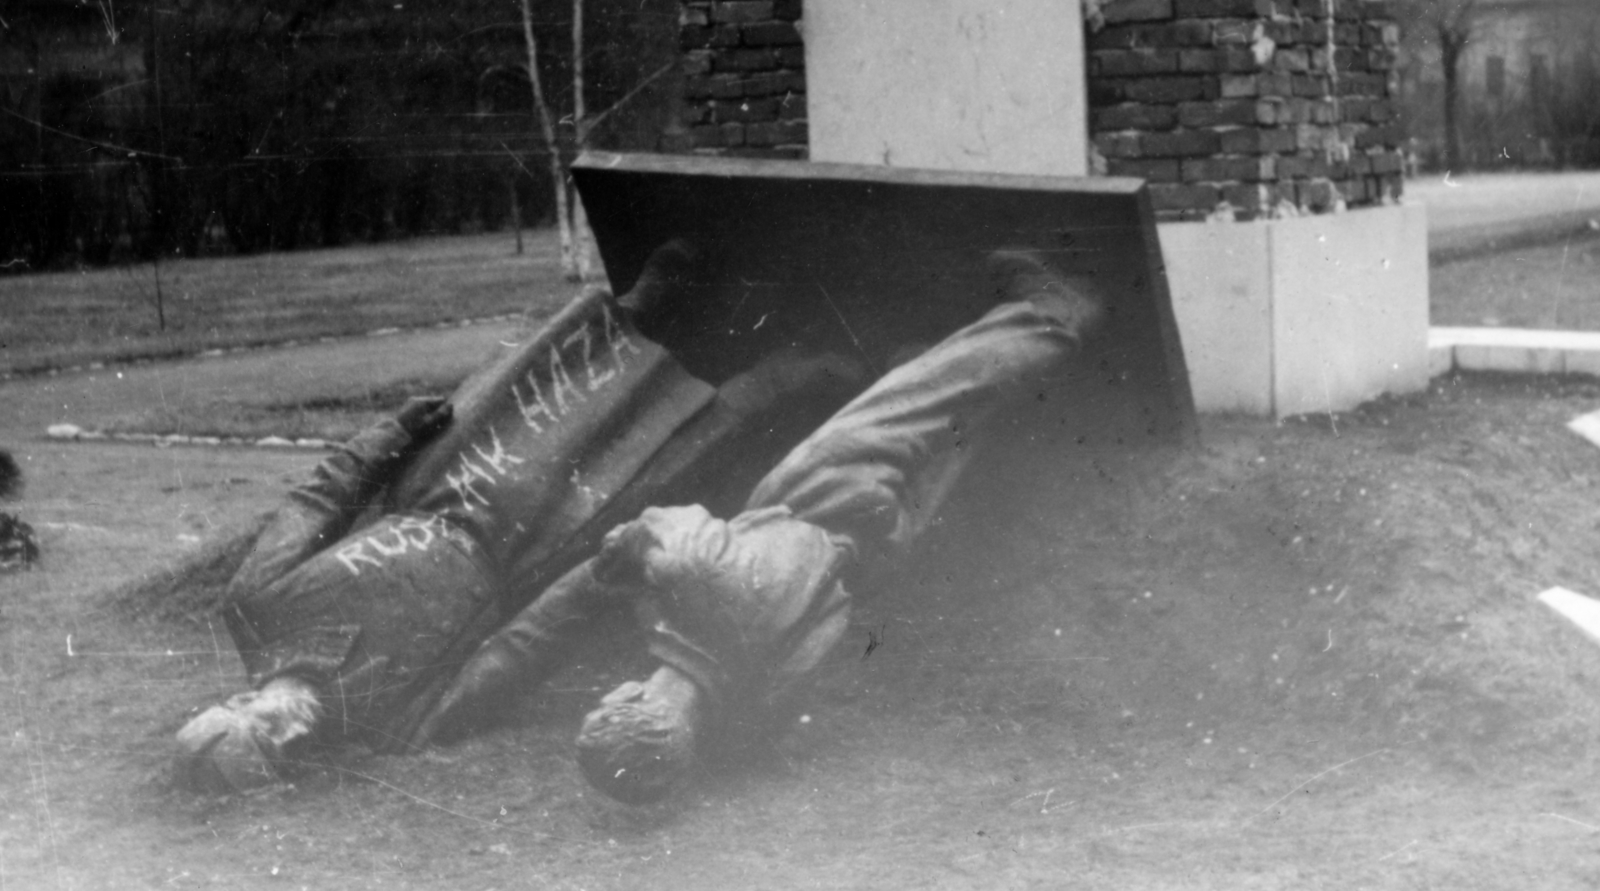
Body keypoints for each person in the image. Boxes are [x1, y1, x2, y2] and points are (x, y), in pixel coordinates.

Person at [414, 251, 1106, 804]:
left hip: (869, 556)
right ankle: (1053, 310)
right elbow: (617, 564)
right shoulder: (688, 575)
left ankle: (918, 352)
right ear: (622, 700)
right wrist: (624, 558)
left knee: (949, 427)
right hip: (822, 497)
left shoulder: (751, 716)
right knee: (932, 395)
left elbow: (545, 636)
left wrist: (456, 707)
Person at [174, 244, 868, 792]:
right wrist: (599, 573)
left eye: (266, 736)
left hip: (448, 481)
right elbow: (516, 653)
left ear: (237, 704)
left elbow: (320, 500)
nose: (293, 741)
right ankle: (799, 369)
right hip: (534, 549)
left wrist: (391, 435)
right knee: (674, 451)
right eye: (288, 762)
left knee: (549, 380)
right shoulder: (400, 726)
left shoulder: (257, 606)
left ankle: (646, 298)